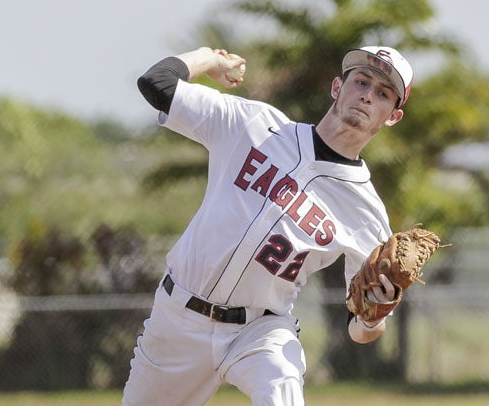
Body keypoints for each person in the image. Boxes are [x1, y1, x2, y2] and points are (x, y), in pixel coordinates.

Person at [122, 45, 414, 406]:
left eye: (383, 93)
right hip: (178, 320)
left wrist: (373, 318)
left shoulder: (367, 214)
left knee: (282, 388)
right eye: (361, 81)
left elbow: (360, 330)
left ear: (392, 116)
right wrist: (211, 59)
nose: (367, 95)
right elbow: (157, 84)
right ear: (337, 87)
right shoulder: (254, 124)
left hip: (259, 330)